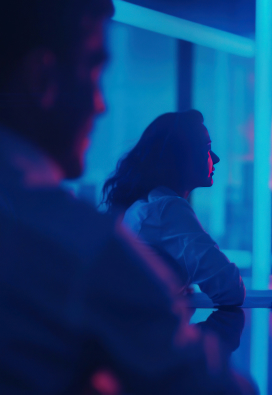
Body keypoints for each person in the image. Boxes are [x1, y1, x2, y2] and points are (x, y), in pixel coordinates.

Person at [0, 1, 248, 392]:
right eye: (93, 70)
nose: (102, 105)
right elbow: (213, 383)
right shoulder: (82, 247)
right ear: (42, 77)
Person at [102, 110, 245, 306]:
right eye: (207, 148)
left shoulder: (149, 203)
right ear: (182, 157)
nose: (216, 158)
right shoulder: (167, 208)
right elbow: (230, 289)